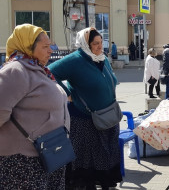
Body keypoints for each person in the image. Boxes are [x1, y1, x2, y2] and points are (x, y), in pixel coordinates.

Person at [49, 27, 122, 190]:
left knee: (104, 160)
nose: (99, 47)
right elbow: (49, 72)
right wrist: (66, 92)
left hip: (107, 119)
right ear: (85, 44)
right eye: (95, 43)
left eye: (100, 43)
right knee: (86, 165)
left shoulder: (102, 59)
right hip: (85, 122)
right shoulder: (76, 59)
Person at [0, 24, 69, 189]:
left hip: (50, 153)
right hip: (23, 161)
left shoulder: (39, 69)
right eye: (45, 47)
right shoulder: (16, 71)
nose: (50, 50)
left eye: (50, 45)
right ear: (28, 46)